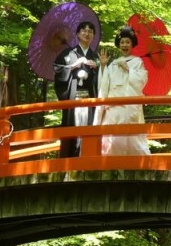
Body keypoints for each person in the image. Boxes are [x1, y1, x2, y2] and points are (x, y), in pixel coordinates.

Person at [95, 25, 150, 156]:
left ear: (132, 44)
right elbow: (104, 85)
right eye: (122, 42)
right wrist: (103, 66)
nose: (125, 45)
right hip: (113, 108)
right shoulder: (113, 63)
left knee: (132, 137)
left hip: (130, 107)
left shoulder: (137, 62)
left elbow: (141, 80)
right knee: (113, 139)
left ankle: (135, 165)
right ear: (119, 45)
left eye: (128, 42)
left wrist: (129, 70)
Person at [53, 20, 100, 158]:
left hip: (90, 100)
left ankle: (89, 160)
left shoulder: (96, 56)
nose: (87, 33)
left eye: (90, 31)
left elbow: (103, 81)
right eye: (84, 31)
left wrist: (99, 68)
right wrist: (73, 65)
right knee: (72, 130)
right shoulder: (68, 53)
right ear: (77, 34)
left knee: (89, 129)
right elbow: (58, 70)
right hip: (73, 99)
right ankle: (68, 162)